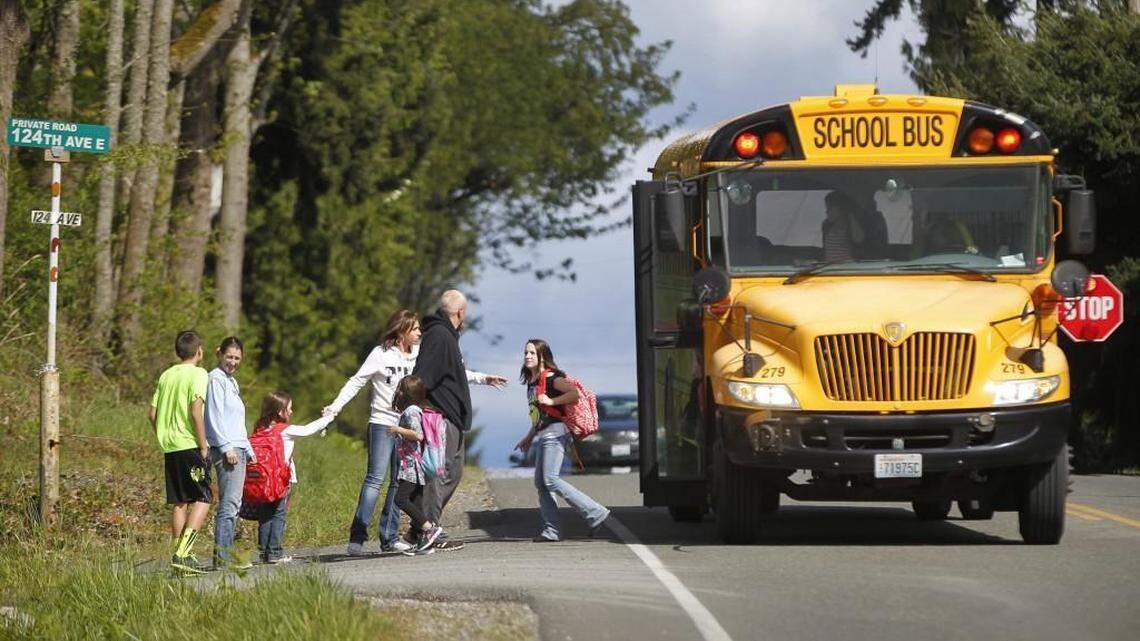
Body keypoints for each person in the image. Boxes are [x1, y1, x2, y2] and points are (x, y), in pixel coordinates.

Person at [411, 290, 508, 551]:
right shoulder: (440, 337)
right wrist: (422, 409)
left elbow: (452, 370)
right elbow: (423, 376)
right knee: (438, 474)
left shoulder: (446, 337)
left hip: (452, 417)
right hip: (440, 417)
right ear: (460, 313)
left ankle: (420, 526)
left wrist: (482, 378)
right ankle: (428, 529)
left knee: (454, 473)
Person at [324, 310, 422, 556]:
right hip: (381, 423)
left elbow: (451, 371)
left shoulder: (419, 356)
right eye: (415, 329)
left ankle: (389, 538)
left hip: (407, 426)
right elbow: (357, 381)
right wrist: (335, 407)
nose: (420, 332)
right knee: (375, 479)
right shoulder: (381, 354)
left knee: (398, 483)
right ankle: (357, 537)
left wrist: (482, 379)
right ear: (402, 331)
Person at [513, 339, 610, 542]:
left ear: (542, 356)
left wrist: (552, 400)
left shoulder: (551, 378)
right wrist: (529, 437)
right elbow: (539, 415)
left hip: (556, 434)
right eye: (526, 353)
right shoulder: (532, 382)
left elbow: (574, 394)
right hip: (544, 434)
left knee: (550, 479)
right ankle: (552, 530)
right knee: (541, 482)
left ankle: (595, 512)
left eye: (532, 353)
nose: (527, 356)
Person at [150, 330, 212, 575]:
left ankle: (178, 557)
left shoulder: (167, 375)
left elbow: (152, 414)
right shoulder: (199, 374)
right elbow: (196, 410)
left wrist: (163, 434)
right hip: (189, 444)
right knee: (204, 497)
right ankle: (184, 553)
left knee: (179, 502)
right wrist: (204, 444)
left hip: (170, 447)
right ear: (199, 351)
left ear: (178, 352)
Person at [250, 391, 334, 564]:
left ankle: (264, 552)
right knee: (279, 514)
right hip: (280, 480)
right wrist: (328, 418)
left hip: (262, 481)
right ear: (281, 412)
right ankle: (275, 552)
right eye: (289, 408)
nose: (292, 411)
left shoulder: (260, 428)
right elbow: (308, 430)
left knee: (265, 515)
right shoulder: (285, 431)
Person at [204, 336, 253, 570]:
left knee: (234, 504)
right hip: (228, 450)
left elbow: (235, 420)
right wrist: (226, 447)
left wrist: (248, 447)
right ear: (219, 354)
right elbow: (213, 417)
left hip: (238, 447)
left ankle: (225, 555)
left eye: (237, 358)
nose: (233, 362)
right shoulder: (215, 379)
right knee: (229, 505)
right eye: (229, 357)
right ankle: (222, 559)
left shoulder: (231, 382)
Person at [387, 376, 445, 555]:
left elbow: (418, 435)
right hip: (416, 465)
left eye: (401, 388)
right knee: (417, 503)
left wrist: (397, 430)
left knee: (400, 499)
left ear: (408, 393)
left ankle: (430, 529)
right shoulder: (415, 409)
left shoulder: (411, 411)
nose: (398, 392)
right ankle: (423, 542)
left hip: (411, 465)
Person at [821, 190, 865, 262]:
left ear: (841, 209)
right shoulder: (826, 225)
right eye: (827, 208)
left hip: (846, 269)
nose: (827, 211)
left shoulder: (850, 225)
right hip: (828, 269)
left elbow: (859, 239)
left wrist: (850, 216)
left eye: (830, 208)